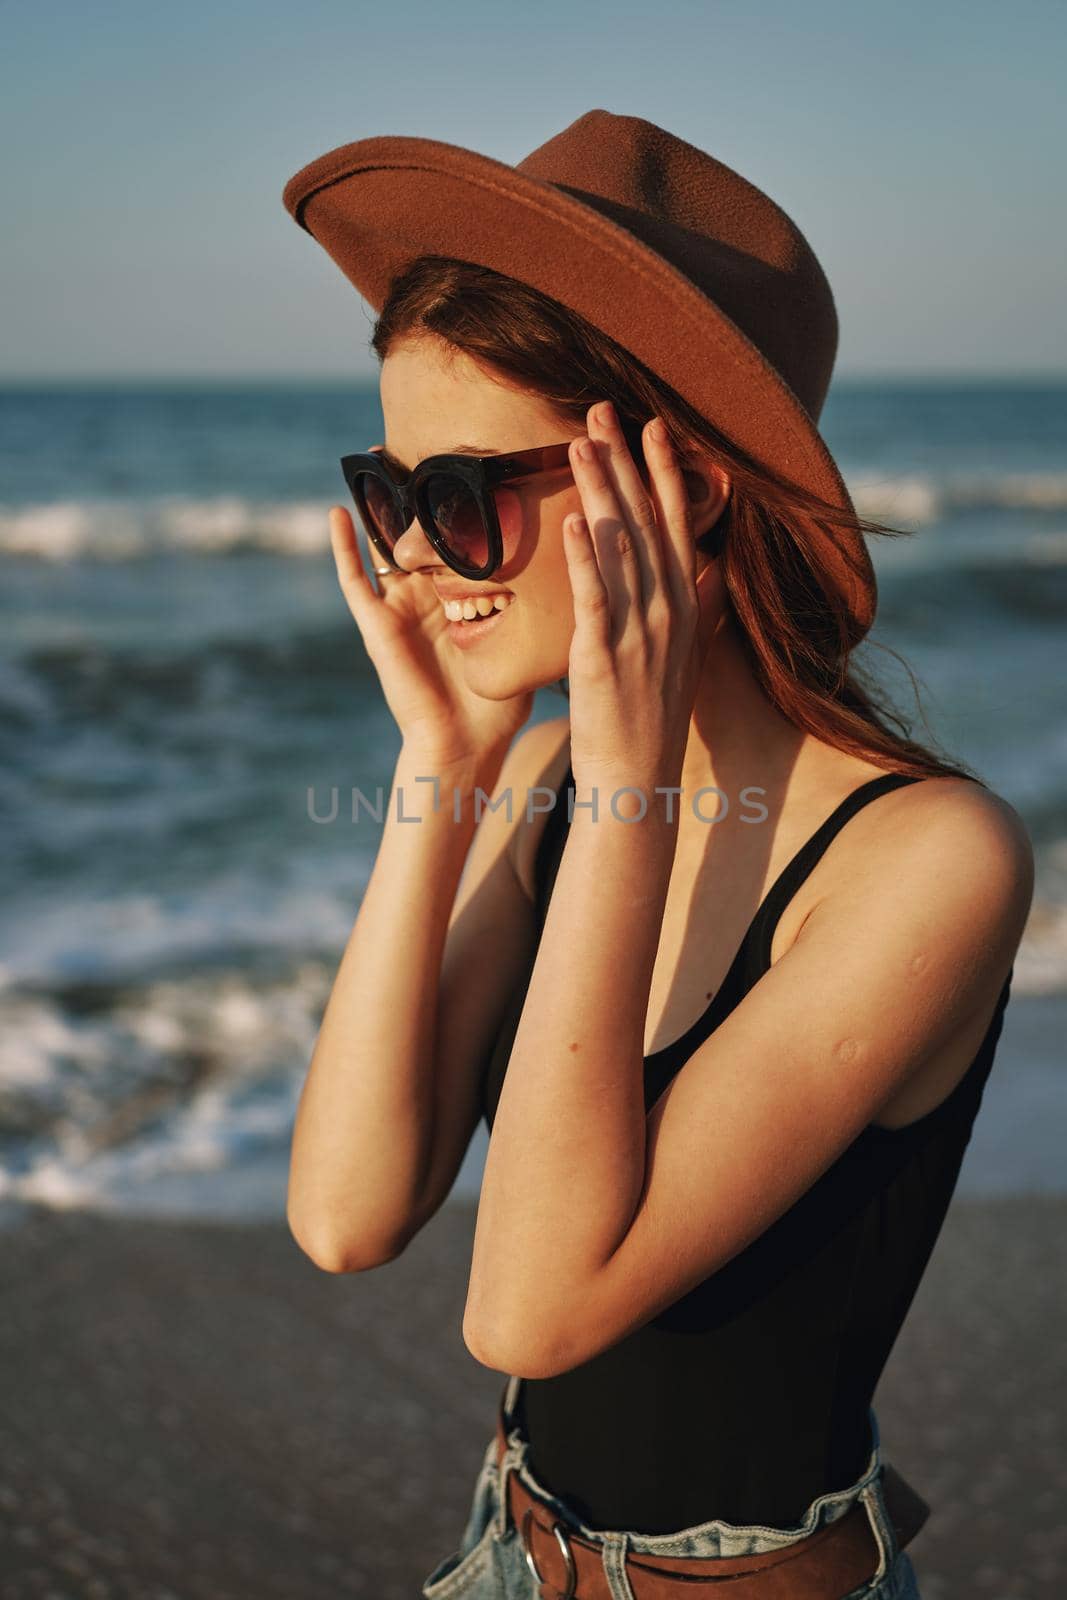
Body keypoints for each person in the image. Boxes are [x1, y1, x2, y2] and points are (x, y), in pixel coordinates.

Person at [281, 112, 1033, 1600]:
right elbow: (345, 1214)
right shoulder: (546, 786)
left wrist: (624, 786)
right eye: (390, 492)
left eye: (463, 498)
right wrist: (442, 771)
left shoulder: (927, 861)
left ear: (676, 486)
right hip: (509, 1552)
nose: (416, 556)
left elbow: (529, 1310)